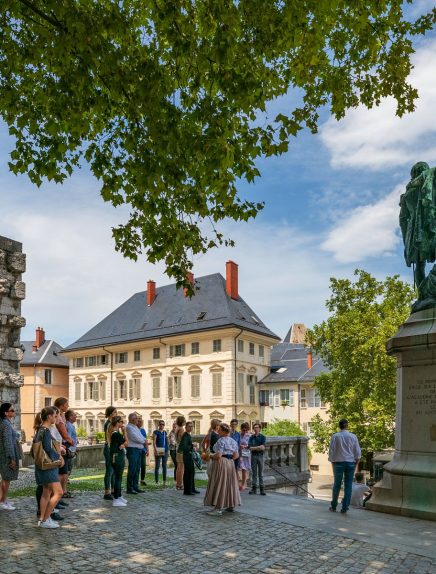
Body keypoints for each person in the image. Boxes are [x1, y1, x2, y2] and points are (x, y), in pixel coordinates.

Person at [33, 407, 64, 528]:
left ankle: (43, 519)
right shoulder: (45, 430)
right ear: (49, 416)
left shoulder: (40, 429)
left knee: (46, 492)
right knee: (59, 492)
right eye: (55, 416)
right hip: (49, 466)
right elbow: (48, 448)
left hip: (43, 466)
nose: (56, 418)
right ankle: (46, 519)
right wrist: (59, 458)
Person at [204, 423, 241, 516]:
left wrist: (209, 455)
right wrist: (229, 459)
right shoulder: (233, 441)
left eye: (220, 429)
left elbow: (218, 456)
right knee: (229, 483)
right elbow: (236, 455)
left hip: (221, 463)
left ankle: (218, 508)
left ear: (224, 431)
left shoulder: (221, 440)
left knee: (219, 483)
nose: (218, 431)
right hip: (230, 463)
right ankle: (231, 505)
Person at [328, 419, 361, 514]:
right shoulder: (353, 436)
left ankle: (333, 505)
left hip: (338, 463)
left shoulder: (335, 436)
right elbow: (357, 451)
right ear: (347, 426)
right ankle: (345, 507)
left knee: (337, 484)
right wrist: (356, 462)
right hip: (350, 463)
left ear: (339, 426)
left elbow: (331, 450)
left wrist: (332, 461)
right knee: (348, 485)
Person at [0, 403, 21, 511]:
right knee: (6, 479)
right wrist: (12, 458)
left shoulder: (5, 423)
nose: (14, 412)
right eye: (12, 410)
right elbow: (7, 442)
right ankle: (2, 501)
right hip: (6, 455)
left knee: (4, 479)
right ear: (6, 413)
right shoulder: (6, 424)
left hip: (4, 454)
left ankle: (2, 499)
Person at [54, 397, 74, 499]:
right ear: (61, 406)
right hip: (60, 445)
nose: (68, 406)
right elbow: (64, 433)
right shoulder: (58, 417)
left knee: (64, 471)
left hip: (60, 444)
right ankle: (59, 493)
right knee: (62, 471)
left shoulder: (61, 415)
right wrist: (71, 441)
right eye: (66, 404)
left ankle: (61, 493)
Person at [107, 416, 128, 507]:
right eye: (121, 422)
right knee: (117, 477)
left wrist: (123, 445)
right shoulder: (116, 434)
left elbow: (124, 444)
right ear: (117, 423)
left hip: (117, 456)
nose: (122, 423)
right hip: (117, 457)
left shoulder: (115, 433)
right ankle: (116, 498)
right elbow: (127, 442)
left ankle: (118, 496)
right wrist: (124, 432)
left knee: (118, 477)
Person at [125, 412, 147, 494]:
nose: (138, 420)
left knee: (137, 469)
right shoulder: (129, 428)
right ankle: (129, 488)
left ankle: (135, 486)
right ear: (132, 419)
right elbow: (136, 438)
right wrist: (143, 442)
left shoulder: (135, 427)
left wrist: (143, 441)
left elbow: (142, 437)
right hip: (133, 450)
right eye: (136, 418)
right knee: (132, 469)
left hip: (138, 450)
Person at [177, 421, 199, 495]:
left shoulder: (188, 435)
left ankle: (192, 488)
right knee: (188, 473)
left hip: (189, 455)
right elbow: (184, 447)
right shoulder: (185, 435)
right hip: (187, 456)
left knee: (192, 472)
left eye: (192, 426)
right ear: (186, 427)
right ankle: (187, 490)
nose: (191, 427)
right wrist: (193, 446)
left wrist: (192, 446)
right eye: (189, 426)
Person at [103, 406, 117, 500]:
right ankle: (107, 492)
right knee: (109, 470)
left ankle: (112, 490)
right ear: (111, 413)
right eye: (115, 412)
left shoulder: (111, 423)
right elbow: (109, 438)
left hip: (112, 448)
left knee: (113, 470)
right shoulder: (108, 424)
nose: (117, 413)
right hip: (109, 448)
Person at [248, 423, 266, 495]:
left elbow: (263, 447)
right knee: (254, 473)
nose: (256, 429)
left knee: (261, 473)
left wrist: (255, 447)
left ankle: (262, 489)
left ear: (260, 429)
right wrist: (258, 447)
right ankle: (254, 488)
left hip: (261, 456)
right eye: (255, 427)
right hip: (253, 456)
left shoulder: (263, 437)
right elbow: (250, 448)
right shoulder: (251, 437)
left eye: (257, 427)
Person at [153, 420, 169, 486]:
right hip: (159, 449)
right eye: (161, 424)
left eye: (163, 424)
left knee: (164, 466)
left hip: (165, 450)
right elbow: (154, 441)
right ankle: (156, 481)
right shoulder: (156, 432)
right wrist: (155, 450)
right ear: (158, 425)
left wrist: (168, 451)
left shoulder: (165, 432)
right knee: (157, 466)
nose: (162, 425)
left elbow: (167, 442)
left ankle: (164, 481)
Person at [65, 409, 78, 480]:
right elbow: (68, 438)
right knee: (68, 468)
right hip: (69, 450)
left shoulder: (70, 425)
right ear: (70, 417)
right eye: (74, 415)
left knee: (69, 468)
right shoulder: (69, 426)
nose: (76, 416)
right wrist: (71, 448)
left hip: (71, 449)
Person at [238, 422, 251, 491]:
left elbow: (251, 445)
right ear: (241, 429)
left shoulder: (249, 436)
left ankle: (243, 484)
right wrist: (239, 446)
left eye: (246, 430)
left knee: (244, 468)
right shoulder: (238, 435)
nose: (245, 431)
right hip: (239, 453)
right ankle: (238, 483)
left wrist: (245, 446)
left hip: (245, 454)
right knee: (237, 468)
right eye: (243, 430)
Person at [174, 415, 186, 490]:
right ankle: (180, 484)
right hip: (181, 450)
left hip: (178, 449)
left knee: (179, 467)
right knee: (181, 468)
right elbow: (182, 440)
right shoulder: (181, 429)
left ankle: (178, 484)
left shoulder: (177, 428)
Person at [137, 417, 148, 486]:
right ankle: (136, 480)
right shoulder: (135, 430)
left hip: (143, 450)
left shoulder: (143, 430)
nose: (140, 423)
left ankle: (142, 480)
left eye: (141, 421)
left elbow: (145, 440)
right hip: (137, 450)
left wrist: (147, 450)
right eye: (139, 421)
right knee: (137, 466)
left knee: (143, 465)